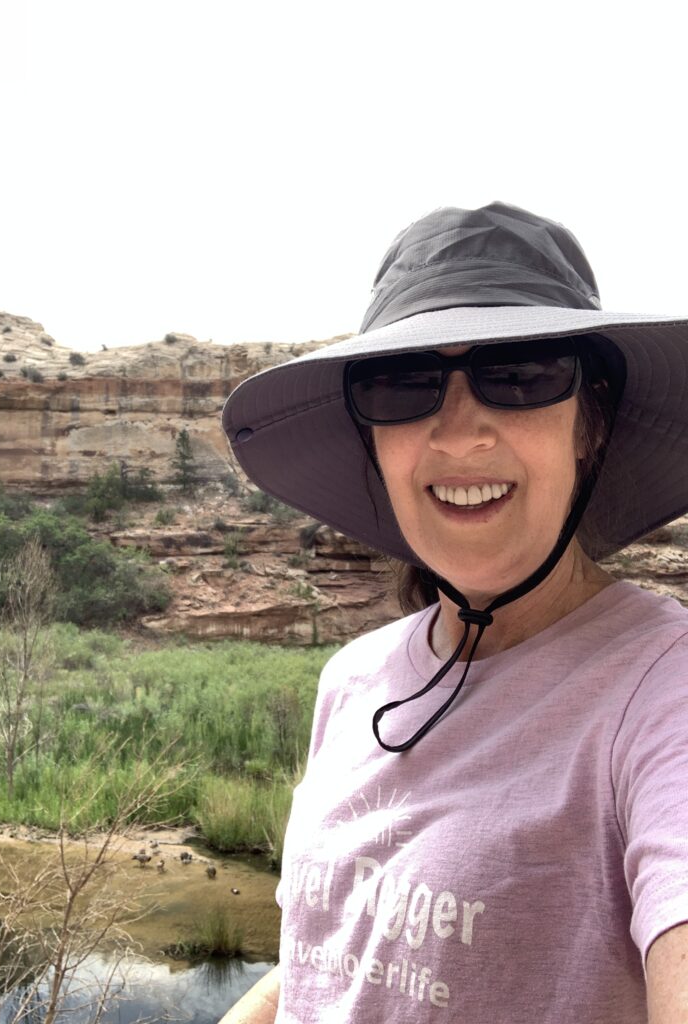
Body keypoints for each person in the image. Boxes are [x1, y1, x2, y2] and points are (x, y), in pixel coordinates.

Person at [219, 202, 688, 1023]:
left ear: (593, 421)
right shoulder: (355, 678)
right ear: (373, 441)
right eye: (404, 385)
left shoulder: (661, 691)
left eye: (522, 374)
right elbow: (329, 958)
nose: (459, 433)